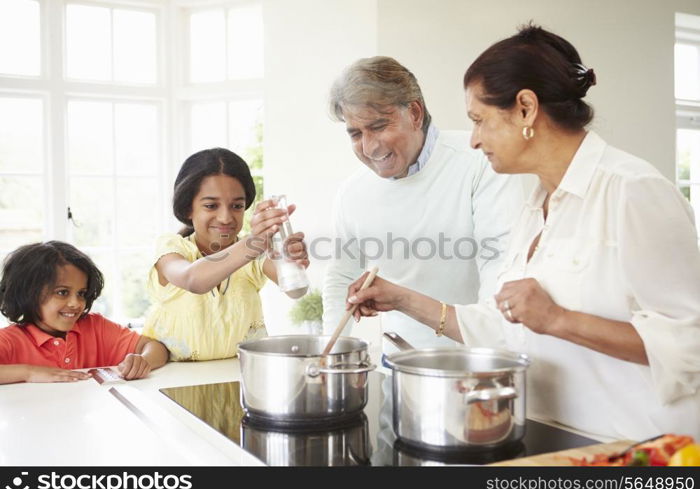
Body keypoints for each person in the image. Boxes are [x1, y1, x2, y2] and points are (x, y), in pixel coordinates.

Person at [346, 25, 700, 441]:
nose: (474, 140)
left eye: (480, 120)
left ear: (526, 109)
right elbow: (506, 329)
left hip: (633, 452)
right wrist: (401, 299)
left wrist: (559, 319)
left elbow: (690, 343)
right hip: (550, 442)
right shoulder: (536, 205)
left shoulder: (631, 189)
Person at [324, 56, 524, 353]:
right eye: (355, 133)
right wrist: (332, 361)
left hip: (473, 364)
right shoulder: (352, 192)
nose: (368, 147)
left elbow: (500, 275)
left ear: (415, 113)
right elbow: (341, 279)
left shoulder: (479, 164)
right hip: (395, 367)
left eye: (378, 126)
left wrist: (489, 361)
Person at [142, 148, 308, 361]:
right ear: (187, 209)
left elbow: (297, 291)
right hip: (176, 378)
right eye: (211, 206)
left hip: (238, 375)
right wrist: (254, 243)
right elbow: (193, 279)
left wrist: (288, 258)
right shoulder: (172, 248)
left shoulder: (253, 255)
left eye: (237, 206)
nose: (226, 217)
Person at [0, 241, 169, 384]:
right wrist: (29, 372)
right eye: (62, 292)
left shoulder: (96, 328)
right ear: (29, 293)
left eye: (81, 293)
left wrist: (143, 361)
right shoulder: (10, 340)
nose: (76, 303)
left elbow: (156, 347)